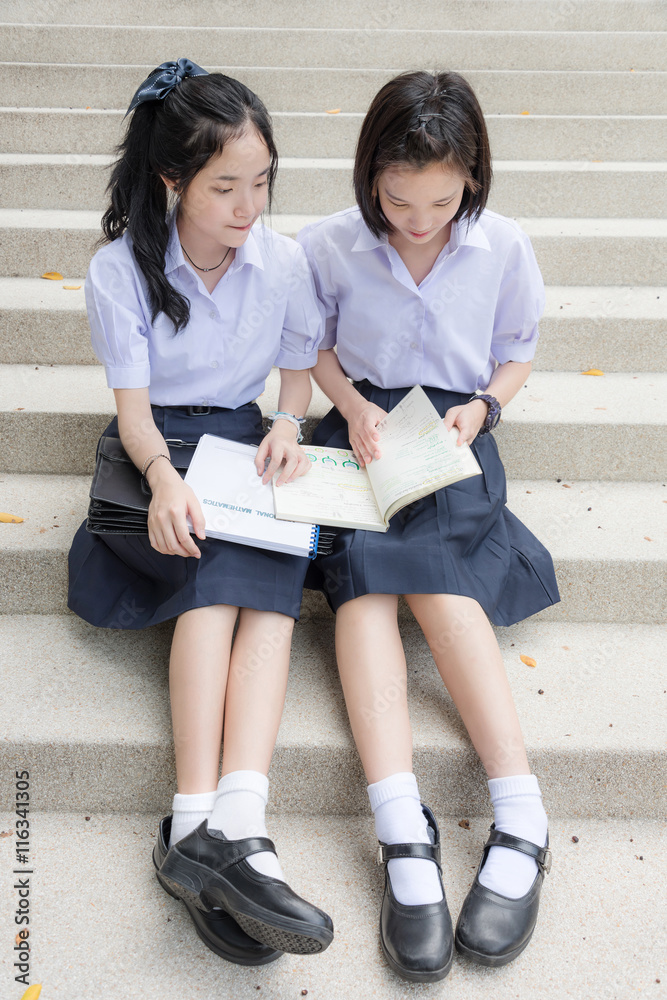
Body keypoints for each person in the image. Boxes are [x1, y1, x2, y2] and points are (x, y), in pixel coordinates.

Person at [67, 59, 333, 965]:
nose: (248, 205)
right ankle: (198, 824)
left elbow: (295, 373)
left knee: (271, 594)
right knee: (217, 589)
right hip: (155, 457)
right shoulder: (119, 270)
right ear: (171, 179)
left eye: (261, 181)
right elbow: (134, 414)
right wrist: (164, 480)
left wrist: (289, 423)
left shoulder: (284, 261)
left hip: (241, 448)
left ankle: (233, 826)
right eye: (225, 187)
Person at [297, 70, 558, 982]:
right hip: (363, 431)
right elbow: (313, 347)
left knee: (442, 586)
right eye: (397, 199)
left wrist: (484, 408)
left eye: (441, 202)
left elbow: (516, 352)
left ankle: (520, 812)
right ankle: (399, 825)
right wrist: (349, 406)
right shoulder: (328, 243)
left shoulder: (503, 245)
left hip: (451, 432)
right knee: (365, 589)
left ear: (472, 177)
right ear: (369, 174)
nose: (417, 221)